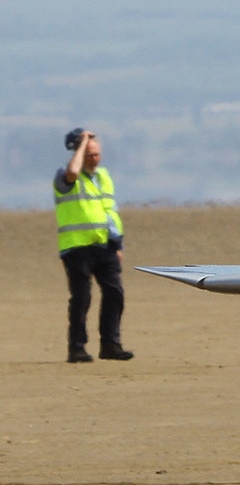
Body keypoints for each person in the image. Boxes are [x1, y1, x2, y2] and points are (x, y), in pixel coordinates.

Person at [54, 128, 131, 363]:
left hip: (104, 245)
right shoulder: (64, 175)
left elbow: (110, 211)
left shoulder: (103, 176)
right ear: (77, 153)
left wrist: (117, 245)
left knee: (114, 293)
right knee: (81, 298)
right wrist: (83, 142)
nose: (94, 158)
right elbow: (73, 171)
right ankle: (76, 348)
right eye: (89, 154)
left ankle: (110, 344)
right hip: (77, 247)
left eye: (97, 154)